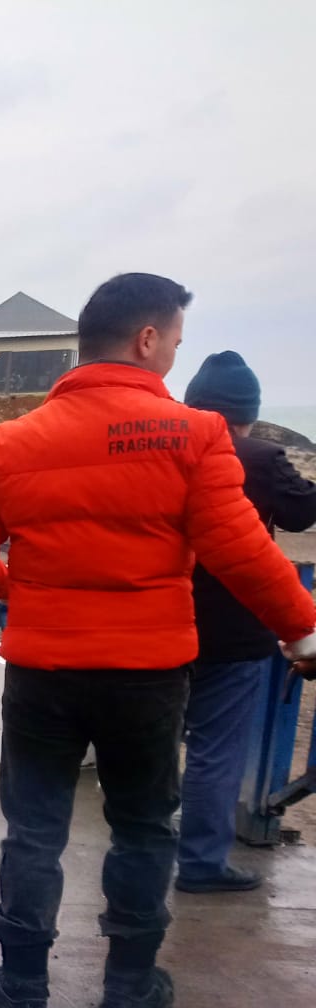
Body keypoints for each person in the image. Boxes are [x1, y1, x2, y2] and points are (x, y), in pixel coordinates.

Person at [0, 274, 316, 1008]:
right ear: (147, 339)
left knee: (35, 829)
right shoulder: (194, 435)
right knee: (143, 825)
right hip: (146, 675)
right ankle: (128, 984)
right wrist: (302, 630)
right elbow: (241, 552)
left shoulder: (7, 443)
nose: (175, 353)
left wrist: (25, 587)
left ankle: (22, 985)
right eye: (175, 339)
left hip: (44, 671)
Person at [174, 352, 316, 894]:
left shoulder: (166, 449)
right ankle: (203, 863)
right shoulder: (260, 456)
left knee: (157, 742)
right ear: (248, 412)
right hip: (236, 625)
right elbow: (304, 512)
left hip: (161, 619)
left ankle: (143, 846)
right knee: (215, 749)